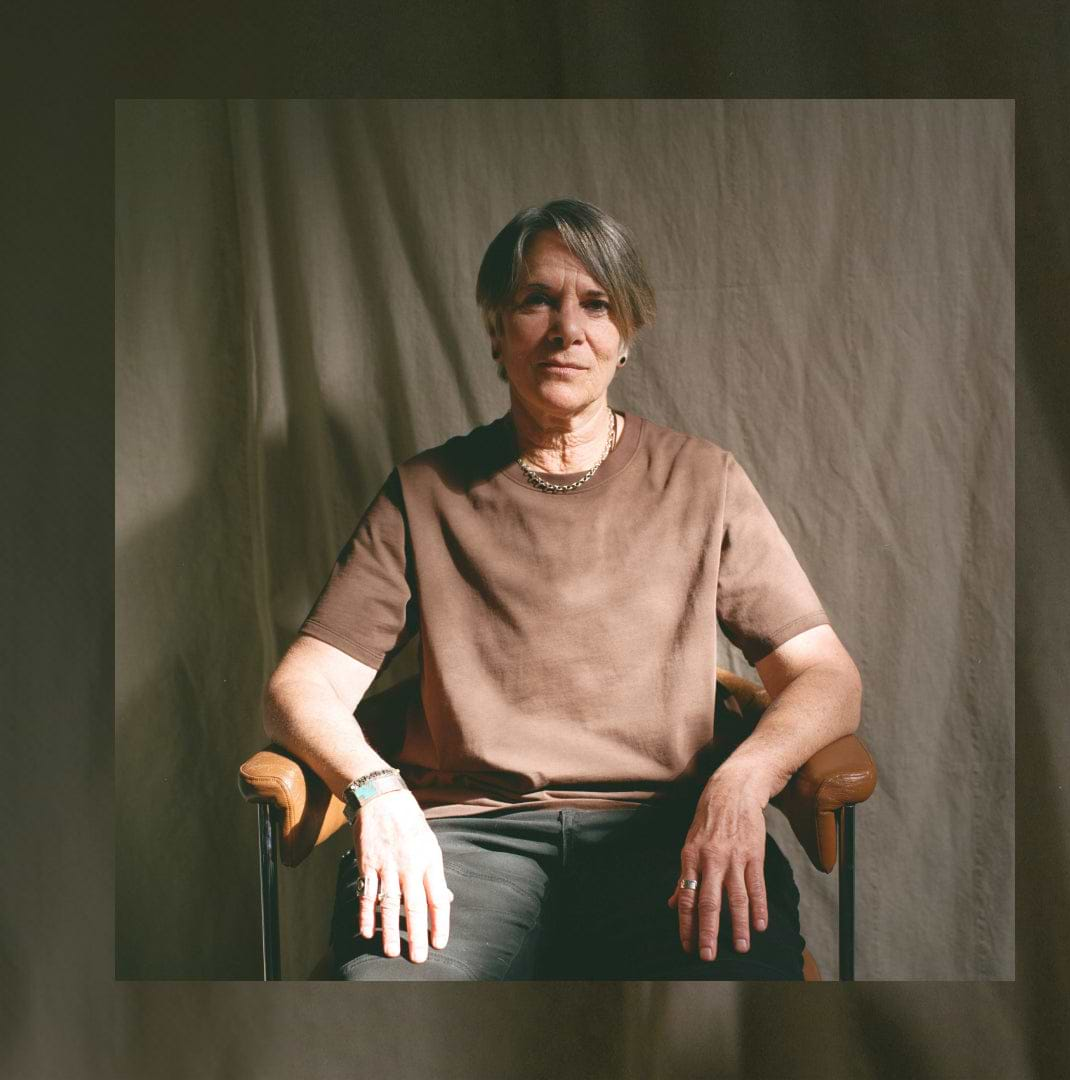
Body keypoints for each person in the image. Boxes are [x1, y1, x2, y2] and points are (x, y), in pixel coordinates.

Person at [262, 198, 862, 980]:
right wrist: (378, 793)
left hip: (663, 834)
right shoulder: (425, 490)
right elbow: (300, 684)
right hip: (468, 840)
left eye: (596, 303)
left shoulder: (702, 479)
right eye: (537, 300)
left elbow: (827, 675)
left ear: (626, 336)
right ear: (496, 329)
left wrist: (745, 779)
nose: (567, 328)